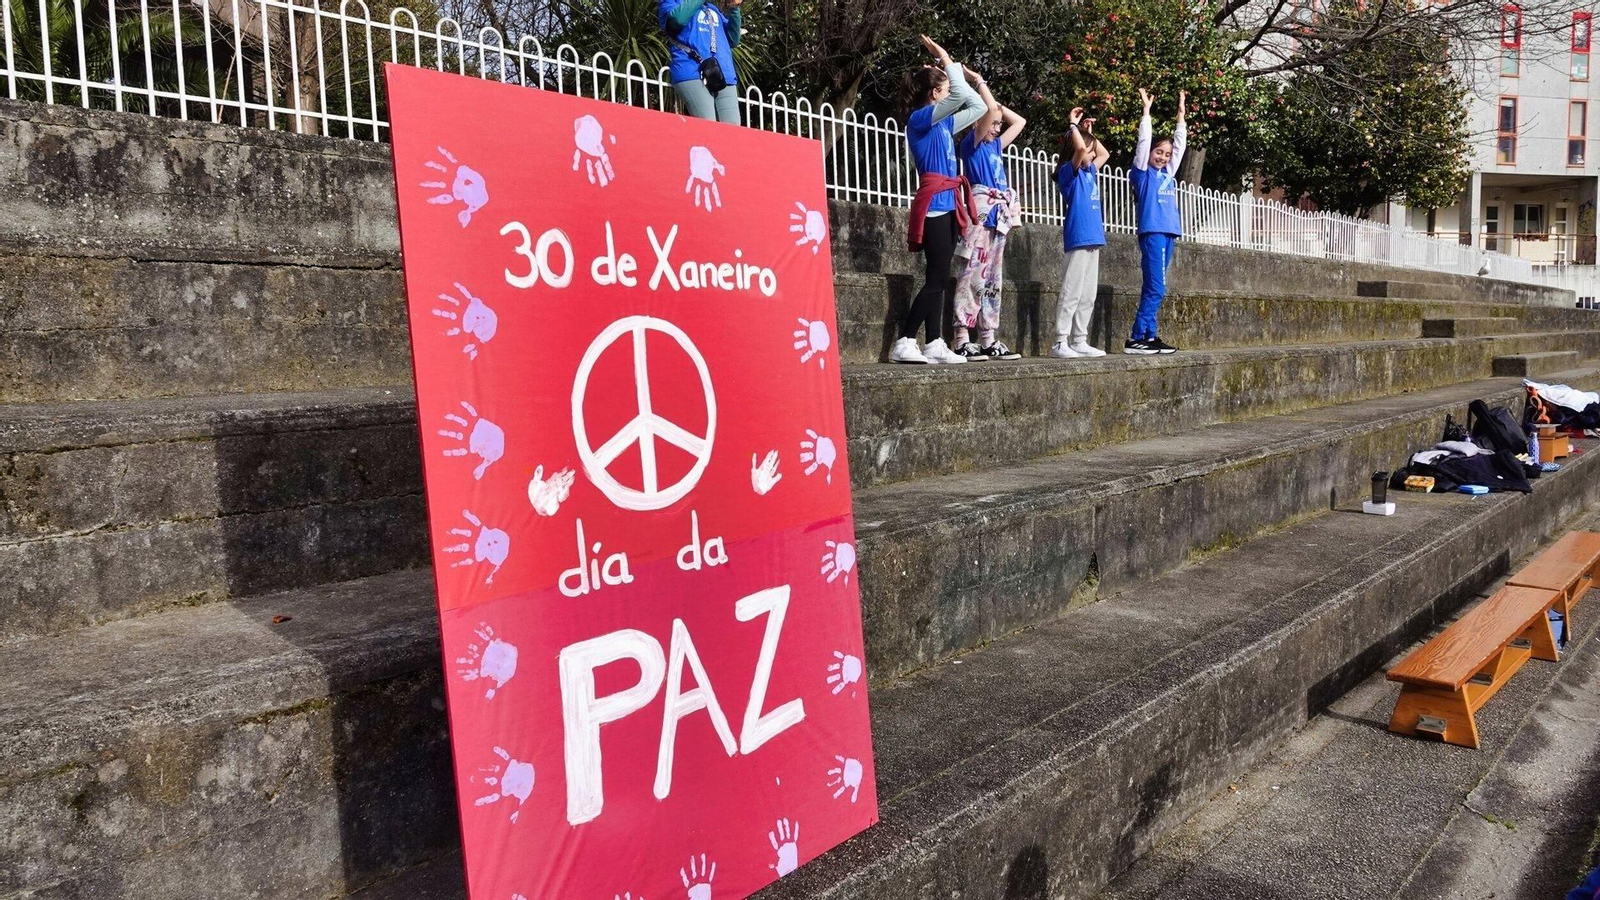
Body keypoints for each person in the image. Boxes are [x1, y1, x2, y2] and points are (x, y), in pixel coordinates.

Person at [891, 35, 989, 365]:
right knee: (934, 279)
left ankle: (934, 341)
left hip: (949, 204)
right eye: (945, 91)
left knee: (940, 277)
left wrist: (971, 79)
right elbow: (961, 96)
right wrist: (946, 58)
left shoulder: (944, 124)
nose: (950, 96)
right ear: (935, 94)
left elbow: (978, 107)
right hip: (934, 203)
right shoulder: (920, 120)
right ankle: (905, 339)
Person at [950, 92, 1026, 361]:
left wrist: (1000, 111)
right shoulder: (972, 145)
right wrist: (980, 83)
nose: (996, 129)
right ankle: (961, 336)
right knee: (971, 276)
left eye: (997, 125)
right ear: (980, 122)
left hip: (999, 217)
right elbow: (989, 109)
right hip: (980, 216)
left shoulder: (995, 147)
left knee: (993, 279)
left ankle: (987, 337)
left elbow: (1020, 122)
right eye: (992, 124)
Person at [1126, 87, 1186, 355]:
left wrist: (1181, 116)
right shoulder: (1143, 174)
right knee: (1156, 287)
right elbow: (1142, 144)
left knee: (1157, 287)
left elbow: (1180, 146)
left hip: (1168, 234)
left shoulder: (1168, 174)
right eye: (1158, 152)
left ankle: (1150, 336)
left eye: (1166, 154)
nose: (1163, 157)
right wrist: (1146, 113)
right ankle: (1137, 337)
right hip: (1153, 234)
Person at [1052, 106, 1110, 359]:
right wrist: (1073, 127)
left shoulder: (1091, 172)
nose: (1090, 152)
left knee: (1088, 293)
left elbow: (1104, 153)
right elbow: (1078, 150)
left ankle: (1080, 339)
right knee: (1072, 291)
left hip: (1093, 240)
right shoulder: (1069, 173)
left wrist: (1089, 133)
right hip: (1078, 239)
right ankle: (1060, 341)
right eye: (1088, 148)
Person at [659, 0, 743, 125]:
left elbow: (733, 39)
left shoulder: (712, 9)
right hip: (692, 72)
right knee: (708, 127)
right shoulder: (671, 2)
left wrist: (734, 9)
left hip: (724, 74)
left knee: (733, 131)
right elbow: (677, 20)